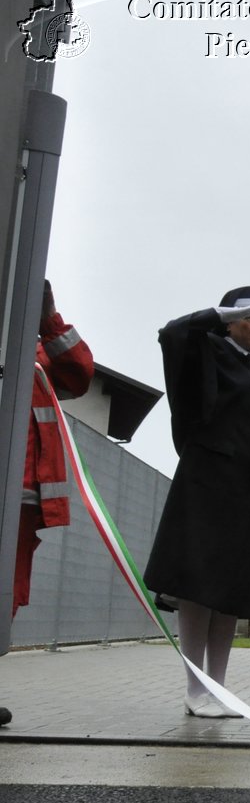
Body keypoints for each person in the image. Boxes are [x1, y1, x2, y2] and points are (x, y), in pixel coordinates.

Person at [145, 286, 250, 718]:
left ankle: (219, 689)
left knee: (231, 592)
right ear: (228, 321)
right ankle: (195, 689)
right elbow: (172, 334)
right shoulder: (207, 350)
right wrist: (218, 314)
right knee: (198, 589)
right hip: (207, 486)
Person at [3, 281, 94, 729]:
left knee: (8, 595)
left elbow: (79, 374)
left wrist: (48, 319)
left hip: (18, 500)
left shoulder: (35, 352)